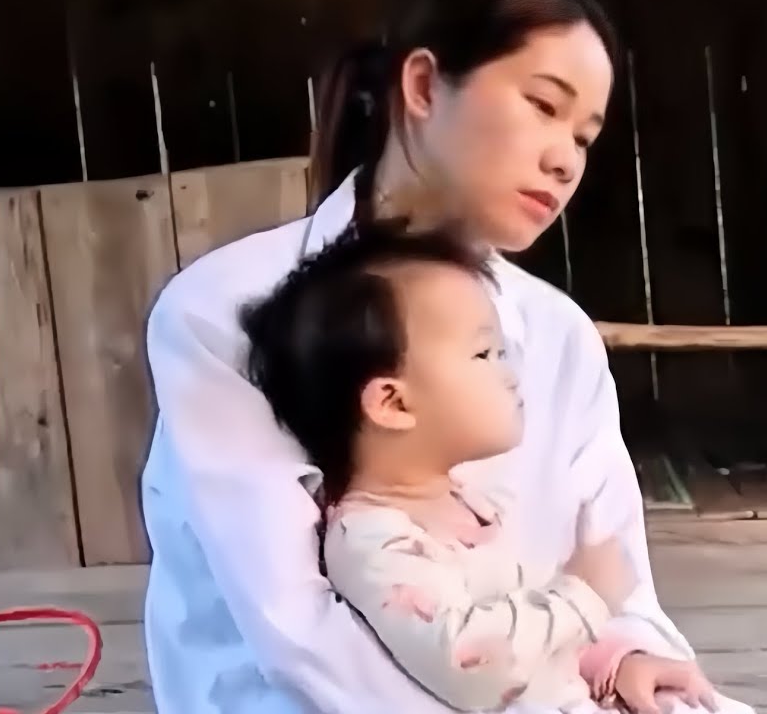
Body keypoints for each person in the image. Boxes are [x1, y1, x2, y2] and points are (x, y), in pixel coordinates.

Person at [139, 0, 755, 712]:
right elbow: (302, 641)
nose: (564, 161)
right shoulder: (225, 310)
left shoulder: (559, 336)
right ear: (425, 86)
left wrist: (634, 654)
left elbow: (616, 575)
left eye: (585, 138)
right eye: (543, 105)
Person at [239, 224, 647, 710]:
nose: (509, 371)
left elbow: (529, 626)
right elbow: (470, 665)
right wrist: (585, 595)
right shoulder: (374, 542)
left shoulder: (472, 504)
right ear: (392, 402)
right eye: (484, 352)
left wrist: (615, 662)